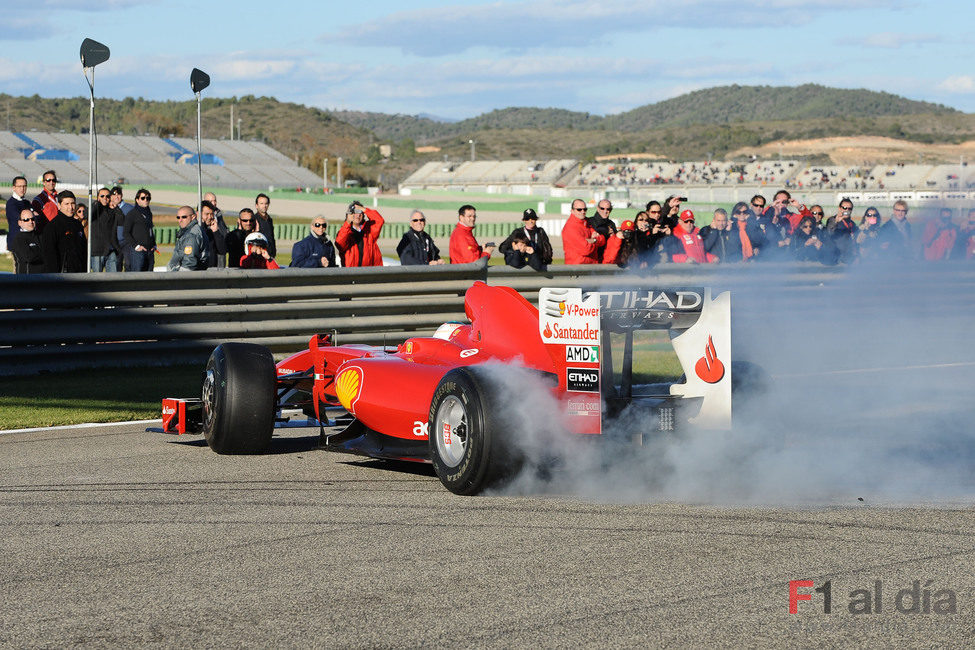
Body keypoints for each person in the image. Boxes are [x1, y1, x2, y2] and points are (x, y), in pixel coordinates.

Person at [41, 190, 87, 273]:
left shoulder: (78, 225)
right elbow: (49, 255)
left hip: (79, 274)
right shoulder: (52, 227)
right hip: (61, 275)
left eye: (72, 203)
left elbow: (83, 250)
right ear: (59, 206)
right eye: (67, 204)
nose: (70, 207)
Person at [336, 200, 385, 266]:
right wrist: (347, 223)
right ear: (349, 214)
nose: (358, 215)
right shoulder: (346, 232)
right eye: (355, 212)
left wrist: (364, 209)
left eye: (360, 212)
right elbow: (339, 243)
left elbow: (379, 220)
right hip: (351, 272)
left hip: (370, 271)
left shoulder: (369, 230)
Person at [561, 199, 604, 264]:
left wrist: (591, 240)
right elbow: (586, 250)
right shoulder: (570, 228)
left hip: (591, 266)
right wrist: (595, 240)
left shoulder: (587, 222)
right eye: (579, 209)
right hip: (577, 269)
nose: (583, 211)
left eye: (585, 209)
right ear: (572, 211)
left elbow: (602, 240)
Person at [123, 188, 156, 272]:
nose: (146, 200)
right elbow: (126, 233)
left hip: (150, 250)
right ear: (137, 200)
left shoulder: (149, 213)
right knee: (137, 275)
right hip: (138, 251)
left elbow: (150, 230)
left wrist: (154, 245)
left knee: (149, 276)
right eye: (143, 198)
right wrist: (136, 246)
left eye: (148, 198)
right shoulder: (132, 214)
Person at [167, 206, 208, 271]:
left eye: (184, 217)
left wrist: (177, 276)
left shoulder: (192, 235)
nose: (180, 220)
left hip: (186, 275)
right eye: (178, 217)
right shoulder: (187, 231)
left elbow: (189, 263)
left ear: (193, 217)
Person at [89, 188, 121, 271]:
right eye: (102, 196)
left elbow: (122, 221)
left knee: (112, 278)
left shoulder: (112, 210)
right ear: (98, 197)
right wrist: (96, 204)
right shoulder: (95, 208)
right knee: (97, 278)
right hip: (98, 250)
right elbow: (87, 215)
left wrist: (116, 207)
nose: (105, 198)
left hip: (111, 249)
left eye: (107, 196)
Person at [8, 209, 44, 274]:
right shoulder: (19, 239)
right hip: (26, 280)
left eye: (32, 219)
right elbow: (29, 257)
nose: (31, 222)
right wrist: (44, 253)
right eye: (26, 220)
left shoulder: (40, 235)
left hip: (43, 278)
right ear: (20, 222)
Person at [826, 199, 859, 264]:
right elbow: (829, 232)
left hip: (849, 256)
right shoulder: (832, 220)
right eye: (844, 208)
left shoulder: (852, 224)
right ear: (839, 208)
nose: (847, 210)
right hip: (837, 258)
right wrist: (836, 222)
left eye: (849, 208)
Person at [199, 200, 228, 268]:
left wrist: (216, 231)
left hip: (212, 270)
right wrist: (202, 225)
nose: (210, 217)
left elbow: (223, 250)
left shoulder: (212, 230)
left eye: (211, 214)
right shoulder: (194, 231)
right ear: (198, 214)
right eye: (207, 214)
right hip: (199, 271)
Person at [253, 192, 277, 258]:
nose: (264, 206)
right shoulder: (253, 220)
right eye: (261, 203)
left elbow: (272, 237)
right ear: (256, 205)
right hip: (259, 255)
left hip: (270, 254)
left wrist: (274, 251)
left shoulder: (269, 219)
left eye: (266, 203)